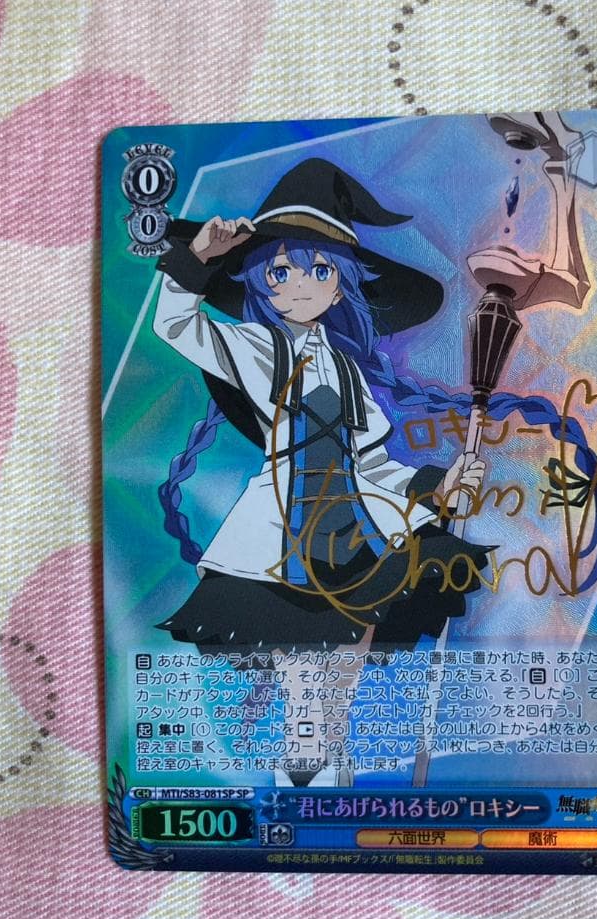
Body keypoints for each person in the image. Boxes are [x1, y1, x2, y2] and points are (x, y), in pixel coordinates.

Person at [152, 158, 492, 786]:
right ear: (259, 280)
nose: (300, 284)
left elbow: (373, 462)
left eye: (320, 270)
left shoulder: (346, 369)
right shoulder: (256, 347)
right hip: (285, 530)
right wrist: (195, 260)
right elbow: (175, 326)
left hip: (352, 526)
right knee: (304, 675)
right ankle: (303, 765)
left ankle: (325, 769)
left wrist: (439, 487)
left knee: (347, 661)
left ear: (340, 287)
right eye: (280, 270)